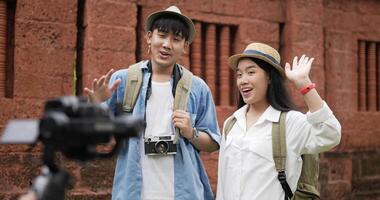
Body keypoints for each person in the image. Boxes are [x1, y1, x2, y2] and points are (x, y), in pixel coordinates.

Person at [84, 5, 220, 200]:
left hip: (183, 192)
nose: (167, 44)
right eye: (162, 35)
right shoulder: (124, 81)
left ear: (185, 46)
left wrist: (192, 133)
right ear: (149, 37)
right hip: (133, 191)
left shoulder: (197, 88)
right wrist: (95, 106)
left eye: (176, 39)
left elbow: (213, 143)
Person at [216, 42, 341, 200]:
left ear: (269, 77)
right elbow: (223, 182)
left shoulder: (289, 122)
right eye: (239, 74)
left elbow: (331, 133)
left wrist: (305, 85)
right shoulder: (231, 123)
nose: (243, 80)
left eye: (251, 72)